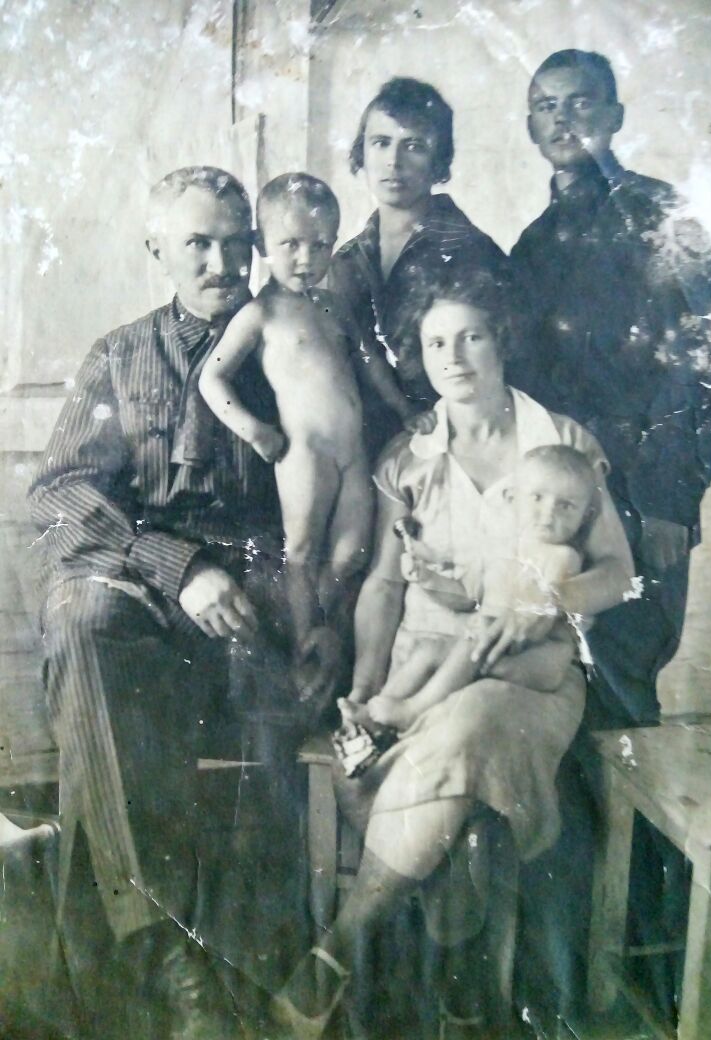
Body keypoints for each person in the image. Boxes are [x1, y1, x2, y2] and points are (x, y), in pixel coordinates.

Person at [269, 267, 634, 1039]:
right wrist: (364, 691)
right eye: (437, 343)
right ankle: (464, 988)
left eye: (472, 337)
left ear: (502, 342)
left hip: (529, 675)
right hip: (422, 665)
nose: (455, 357)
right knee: (455, 784)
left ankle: (341, 946)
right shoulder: (409, 456)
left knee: (470, 727)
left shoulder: (561, 444)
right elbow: (383, 586)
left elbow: (618, 574)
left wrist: (545, 603)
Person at [27, 167, 327, 1038]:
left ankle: (249, 965)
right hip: (147, 588)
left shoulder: (290, 344)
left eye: (238, 243)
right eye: (198, 243)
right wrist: (177, 565)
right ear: (157, 247)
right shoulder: (119, 356)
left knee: (266, 726)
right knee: (84, 621)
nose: (222, 262)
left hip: (257, 593)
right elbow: (61, 491)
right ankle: (163, 948)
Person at [507, 49, 711, 727]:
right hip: (562, 502)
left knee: (625, 684)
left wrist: (669, 501)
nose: (562, 119)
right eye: (546, 106)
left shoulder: (660, 214)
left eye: (579, 102)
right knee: (555, 686)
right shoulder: (533, 245)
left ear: (615, 116)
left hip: (645, 496)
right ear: (530, 126)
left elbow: (702, 365)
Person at [199, 173, 425, 680]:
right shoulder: (259, 314)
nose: (307, 258)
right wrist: (254, 430)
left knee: (350, 555)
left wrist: (404, 408)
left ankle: (328, 643)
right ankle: (305, 643)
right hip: (304, 451)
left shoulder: (334, 306)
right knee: (300, 552)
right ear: (261, 245)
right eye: (291, 245)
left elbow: (370, 363)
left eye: (321, 245)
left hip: (352, 451)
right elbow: (212, 378)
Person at [339, 444, 597, 740]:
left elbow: (538, 616)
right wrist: (427, 577)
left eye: (566, 506)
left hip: (539, 658)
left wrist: (490, 625)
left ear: (585, 516)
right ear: (512, 498)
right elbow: (466, 596)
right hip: (486, 647)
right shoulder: (500, 553)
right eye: (537, 498)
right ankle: (372, 713)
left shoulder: (563, 557)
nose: (548, 513)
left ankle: (412, 710)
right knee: (428, 650)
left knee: (470, 645)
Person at [329, 76, 508, 460]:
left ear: (439, 160)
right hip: (366, 447)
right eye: (381, 143)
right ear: (362, 152)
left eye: (414, 146)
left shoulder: (470, 250)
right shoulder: (345, 259)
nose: (393, 162)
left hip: (455, 447)